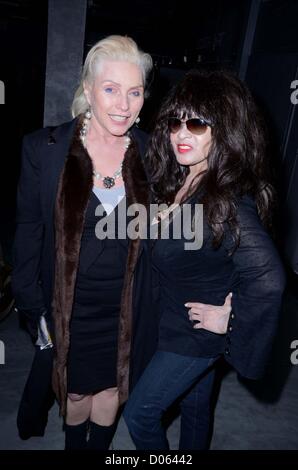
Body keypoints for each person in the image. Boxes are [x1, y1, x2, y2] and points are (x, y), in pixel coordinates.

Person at [12, 36, 231, 450]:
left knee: (114, 391)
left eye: (134, 92)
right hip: (69, 306)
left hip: (131, 307)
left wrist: (232, 294)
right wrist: (32, 307)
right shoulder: (45, 149)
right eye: (110, 89)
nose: (123, 104)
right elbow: (28, 234)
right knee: (75, 393)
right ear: (88, 89)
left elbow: (202, 218)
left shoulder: (156, 153)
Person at [123, 69, 286, 450]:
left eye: (197, 123)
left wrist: (233, 319)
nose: (181, 133)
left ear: (225, 130)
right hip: (174, 320)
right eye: (176, 121)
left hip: (193, 336)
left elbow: (270, 278)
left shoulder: (225, 201)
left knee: (140, 414)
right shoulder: (189, 179)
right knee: (195, 409)